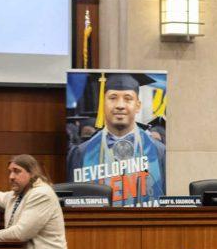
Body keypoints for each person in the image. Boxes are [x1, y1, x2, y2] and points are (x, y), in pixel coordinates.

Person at [66, 73, 166, 206]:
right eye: (113, 98)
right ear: (103, 103)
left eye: (127, 98)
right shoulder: (81, 153)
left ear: (138, 106)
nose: (120, 105)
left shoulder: (158, 151)